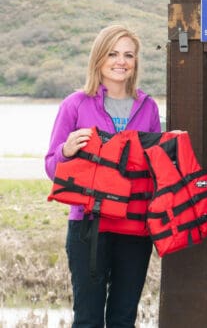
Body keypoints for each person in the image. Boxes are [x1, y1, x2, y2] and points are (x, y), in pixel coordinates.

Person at [45, 24, 161, 328]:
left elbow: (155, 169)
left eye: (128, 55)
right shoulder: (75, 104)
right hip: (88, 227)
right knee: (88, 319)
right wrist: (65, 151)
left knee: (124, 318)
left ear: (136, 61)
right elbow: (51, 168)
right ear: (99, 58)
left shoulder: (147, 107)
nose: (120, 61)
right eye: (113, 53)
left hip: (135, 227)